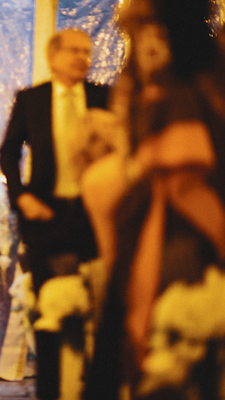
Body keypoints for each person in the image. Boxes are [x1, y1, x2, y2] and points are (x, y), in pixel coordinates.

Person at [81, 1, 225, 398]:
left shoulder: (189, 92)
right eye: (139, 34)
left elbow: (187, 179)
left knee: (176, 350)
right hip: (145, 223)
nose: (148, 45)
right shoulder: (143, 89)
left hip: (182, 237)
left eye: (159, 33)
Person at [0, 28, 109, 400]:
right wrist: (21, 197)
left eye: (87, 51)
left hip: (96, 218)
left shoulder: (103, 97)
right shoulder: (31, 100)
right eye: (74, 51)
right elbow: (7, 153)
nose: (83, 57)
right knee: (49, 310)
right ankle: (49, 391)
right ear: (53, 56)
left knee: (101, 311)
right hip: (46, 217)